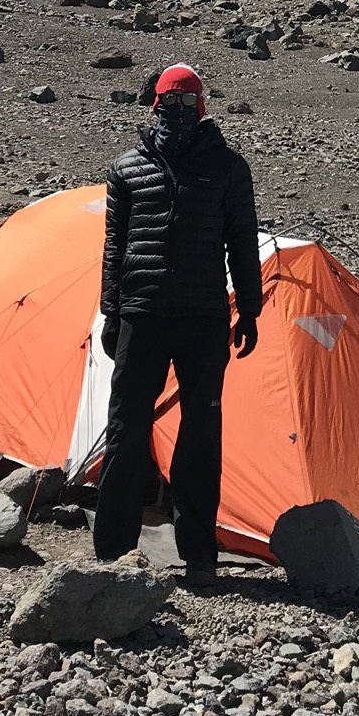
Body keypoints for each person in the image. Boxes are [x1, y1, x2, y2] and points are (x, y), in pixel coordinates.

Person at [93, 62, 261, 586]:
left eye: (189, 102)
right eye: (174, 101)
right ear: (156, 104)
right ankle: (114, 553)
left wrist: (250, 309)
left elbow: (242, 244)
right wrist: (111, 312)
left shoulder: (229, 170)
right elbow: (114, 247)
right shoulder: (128, 168)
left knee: (198, 433)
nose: (180, 111)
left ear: (202, 108)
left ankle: (197, 553)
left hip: (199, 318)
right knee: (128, 430)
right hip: (146, 315)